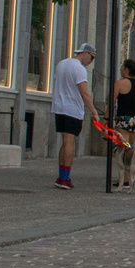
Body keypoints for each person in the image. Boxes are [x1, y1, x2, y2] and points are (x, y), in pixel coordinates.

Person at [51, 41, 96, 190]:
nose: (91, 61)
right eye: (92, 57)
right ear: (85, 54)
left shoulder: (62, 64)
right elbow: (84, 92)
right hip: (72, 109)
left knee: (65, 141)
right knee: (69, 141)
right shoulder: (79, 69)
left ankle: (62, 175)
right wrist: (94, 111)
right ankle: (65, 178)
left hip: (59, 107)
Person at [113, 60, 135, 130]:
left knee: (122, 140)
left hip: (123, 119)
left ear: (126, 70)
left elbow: (112, 102)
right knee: (130, 141)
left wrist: (106, 118)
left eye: (122, 67)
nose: (120, 69)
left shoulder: (119, 84)